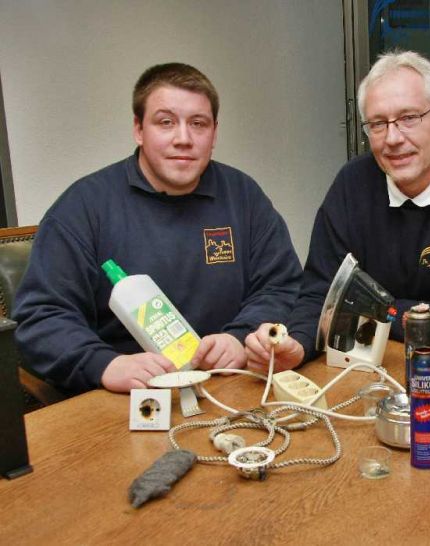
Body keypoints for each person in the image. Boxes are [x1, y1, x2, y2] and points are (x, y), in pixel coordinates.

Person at [13, 63, 302, 395]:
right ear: (139, 129)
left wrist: (240, 337)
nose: (183, 139)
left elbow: (282, 286)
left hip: (229, 384)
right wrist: (104, 364)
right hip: (123, 397)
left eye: (198, 124)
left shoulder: (244, 196)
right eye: (166, 122)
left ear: (214, 133)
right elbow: (40, 317)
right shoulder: (83, 207)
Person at [245, 50, 430, 371]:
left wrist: (372, 310)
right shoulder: (352, 183)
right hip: (372, 368)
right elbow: (321, 295)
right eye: (378, 124)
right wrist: (296, 344)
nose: (392, 138)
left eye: (409, 118)